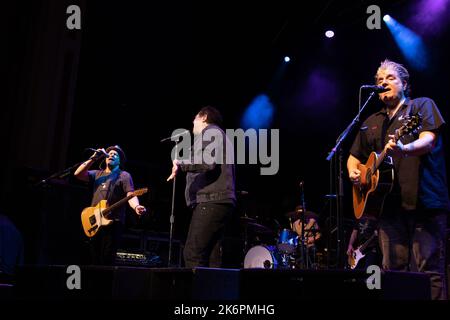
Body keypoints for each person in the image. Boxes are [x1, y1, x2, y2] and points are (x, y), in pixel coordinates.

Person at [347, 59, 449, 299]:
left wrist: (405, 148)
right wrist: (354, 171)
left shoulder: (421, 106)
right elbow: (353, 157)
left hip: (424, 203)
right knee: (393, 273)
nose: (384, 83)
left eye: (390, 78)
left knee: (429, 272)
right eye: (380, 81)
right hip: (388, 209)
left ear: (404, 83)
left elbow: (428, 140)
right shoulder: (371, 122)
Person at [167, 106, 236, 268]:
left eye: (195, 118)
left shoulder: (211, 132)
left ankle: (196, 292)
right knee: (211, 256)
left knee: (193, 253)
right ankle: (213, 292)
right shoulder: (217, 135)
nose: (192, 122)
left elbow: (207, 162)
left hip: (212, 200)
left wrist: (180, 163)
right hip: (218, 200)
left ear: (204, 117)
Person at [74, 145, 146, 265]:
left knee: (107, 259)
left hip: (113, 222)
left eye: (115, 154)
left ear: (120, 160)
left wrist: (136, 206)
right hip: (94, 221)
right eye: (110, 153)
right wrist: (93, 158)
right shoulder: (97, 174)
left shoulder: (124, 175)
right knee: (92, 259)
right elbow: (78, 174)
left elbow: (130, 194)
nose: (112, 155)